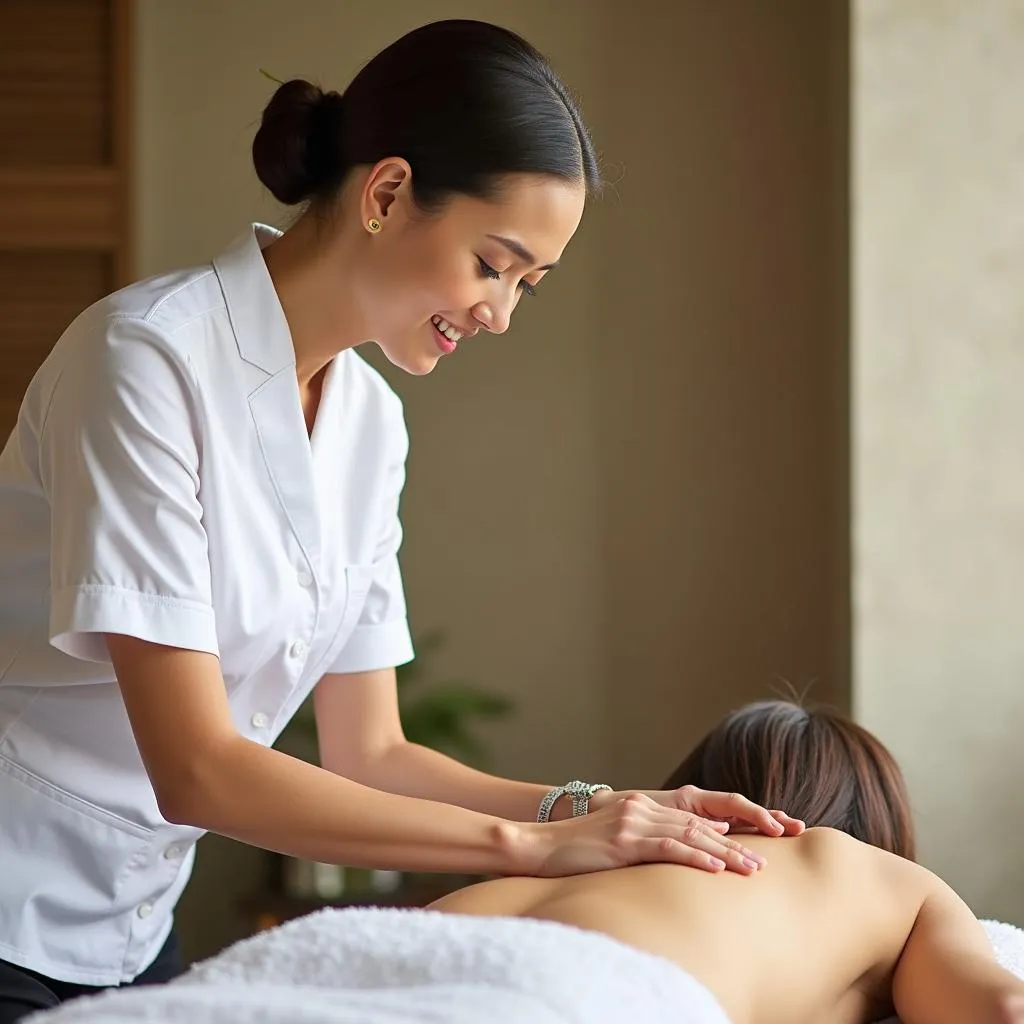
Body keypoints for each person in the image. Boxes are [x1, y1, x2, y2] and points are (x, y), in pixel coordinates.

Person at [0, 20, 804, 1022]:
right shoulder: (145, 361)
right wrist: (535, 848)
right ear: (385, 194)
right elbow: (198, 768)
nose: (500, 312)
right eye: (492, 263)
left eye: (527, 285)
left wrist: (600, 808)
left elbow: (372, 752)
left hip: (131, 922)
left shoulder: (370, 423)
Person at [429, 700, 1024, 1024]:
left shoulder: (591, 857)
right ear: (877, 830)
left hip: (396, 951)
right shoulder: (879, 878)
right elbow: (1002, 1009)